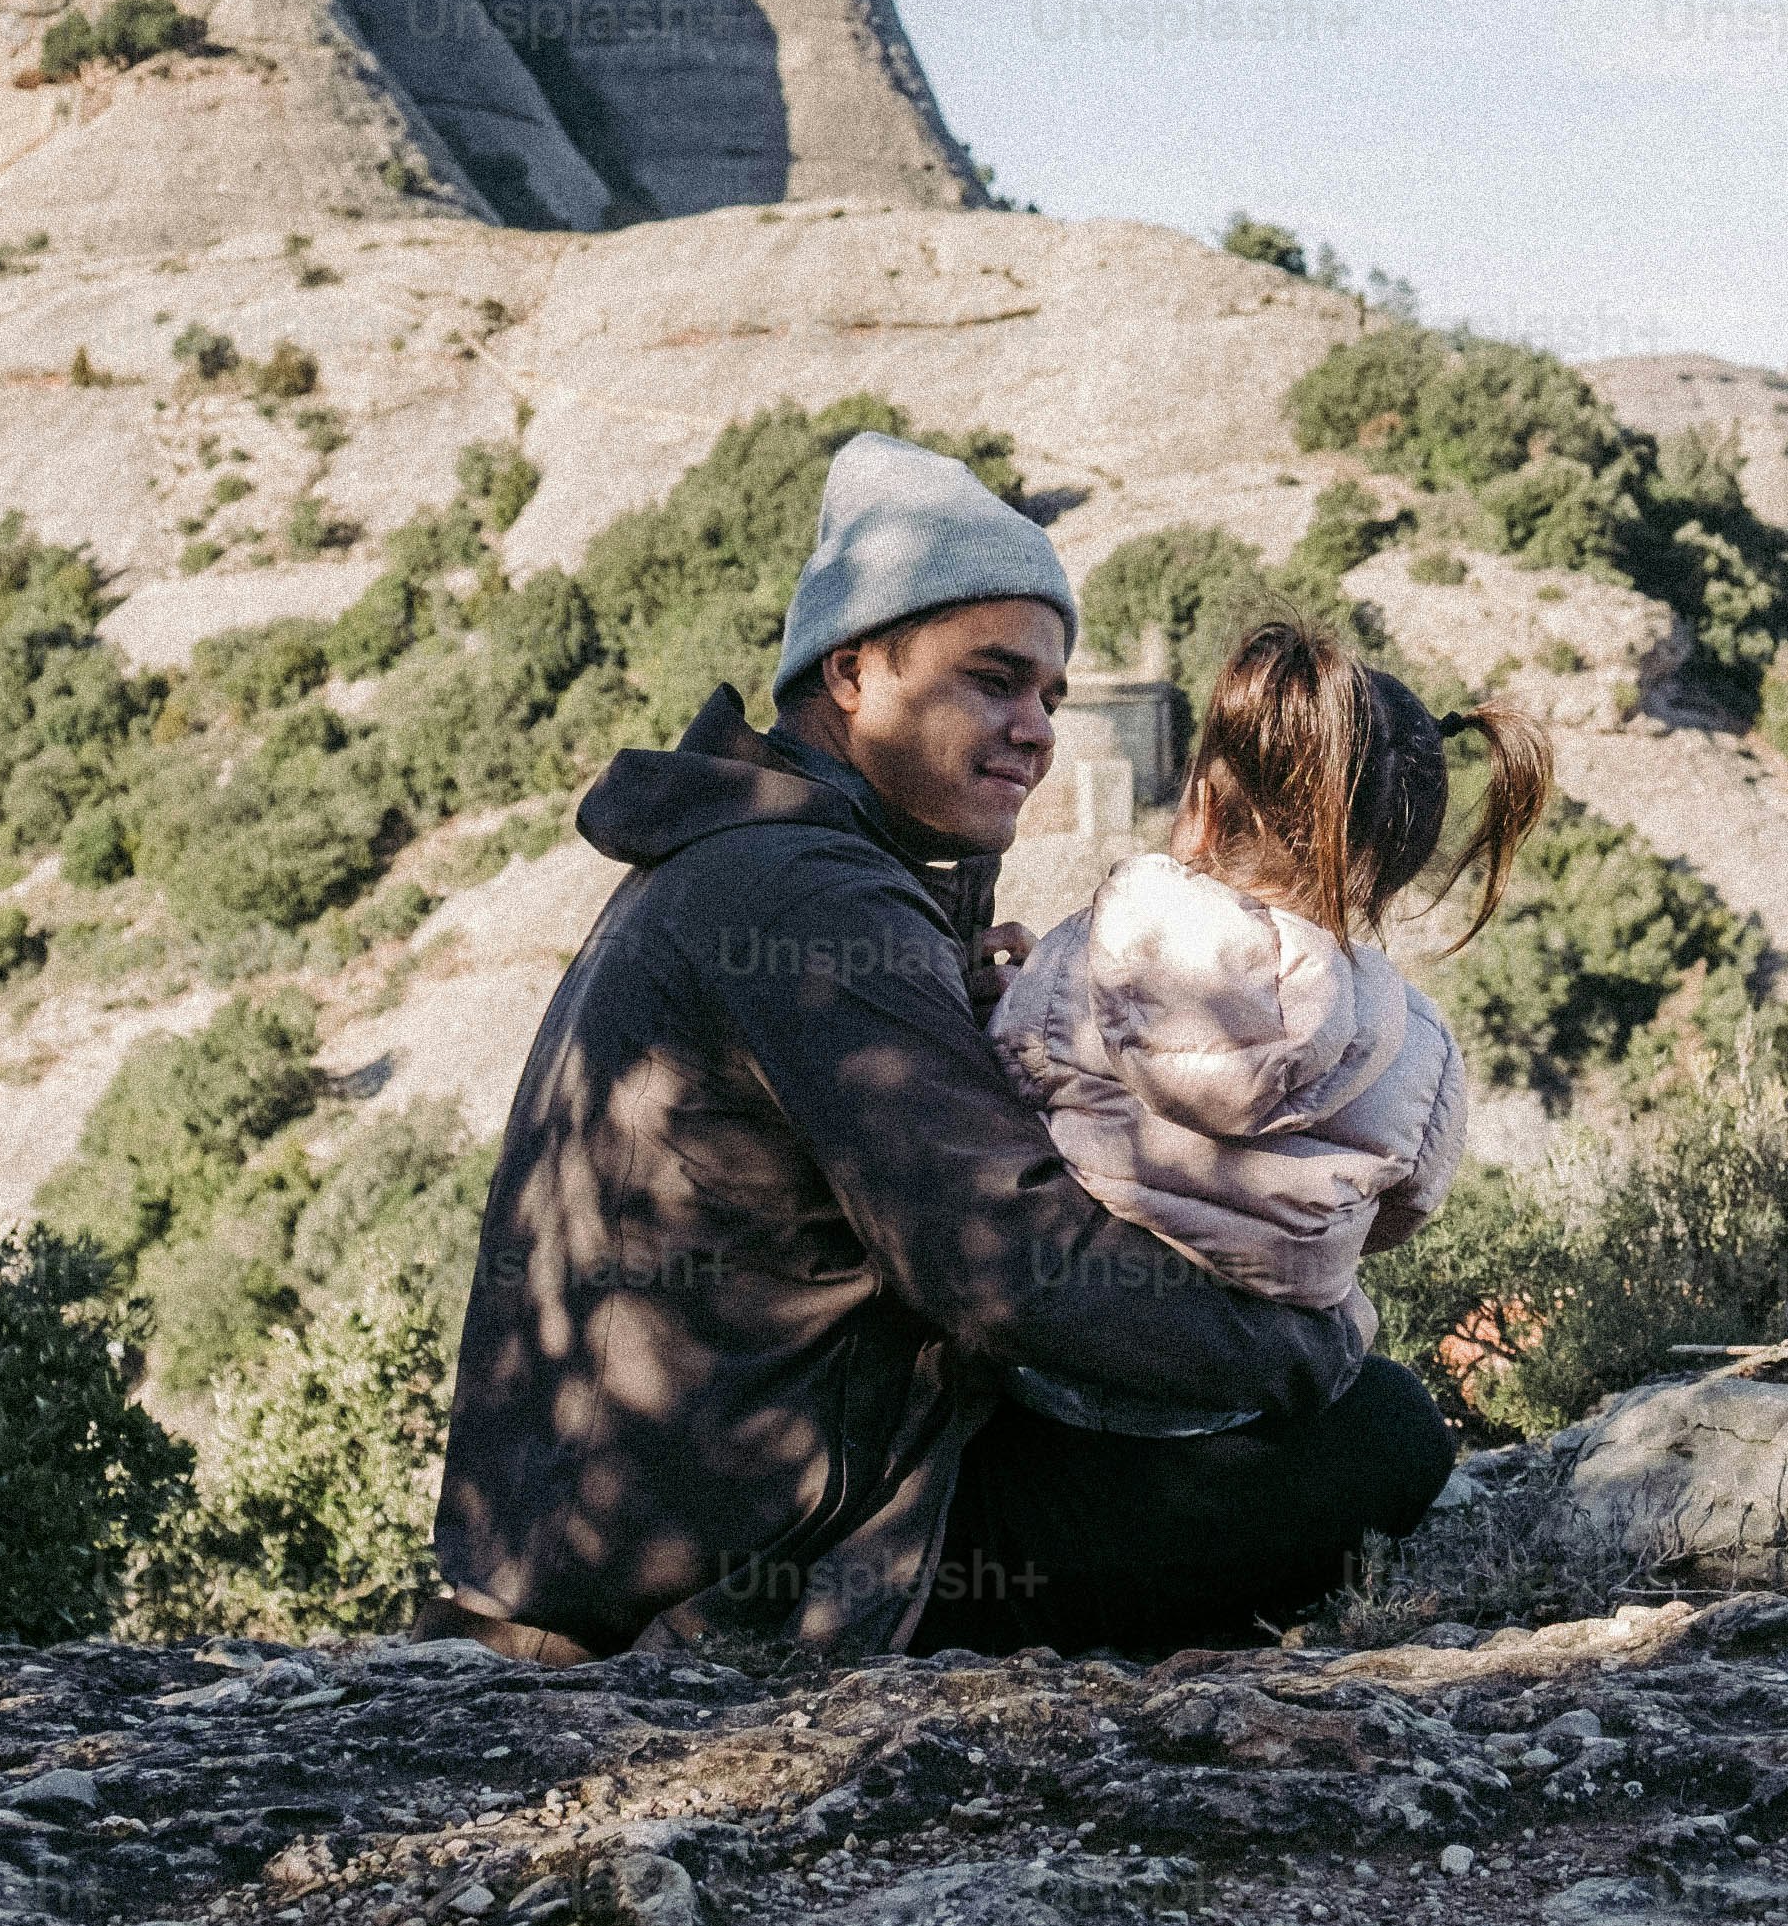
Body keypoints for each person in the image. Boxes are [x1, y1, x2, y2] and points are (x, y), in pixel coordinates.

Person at [427, 433, 1454, 1660]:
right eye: (994, 680)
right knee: (1381, 1431)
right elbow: (1011, 1265)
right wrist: (1306, 1339)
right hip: (748, 1578)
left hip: (637, 1535)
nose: (1035, 731)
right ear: (853, 673)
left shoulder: (760, 859)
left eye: (1051, 698)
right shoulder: (807, 898)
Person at [982, 624, 1550, 1444]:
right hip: (1249, 1400)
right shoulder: (1421, 1043)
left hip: (1058, 1382)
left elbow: (1009, 1079)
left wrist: (1025, 990)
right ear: (1393, 863)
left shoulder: (1108, 939)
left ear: (1205, 805)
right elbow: (1397, 1215)